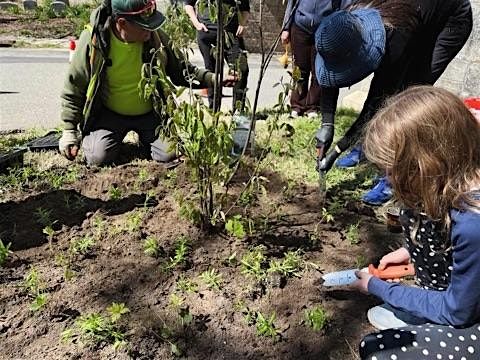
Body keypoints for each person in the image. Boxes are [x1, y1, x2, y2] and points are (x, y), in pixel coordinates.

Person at [351, 86, 480, 359]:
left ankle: (430, 319)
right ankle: (426, 312)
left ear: (427, 164)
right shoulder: (460, 185)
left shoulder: (472, 224)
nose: (388, 179)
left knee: (379, 351)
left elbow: (457, 311)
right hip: (466, 300)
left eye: (392, 170)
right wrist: (409, 251)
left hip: (464, 313)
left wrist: (381, 288)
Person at [313, 0, 473, 205]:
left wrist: (338, 148)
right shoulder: (342, 23)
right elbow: (330, 70)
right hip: (417, 15)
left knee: (409, 95)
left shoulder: (396, 38)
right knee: (393, 92)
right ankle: (365, 146)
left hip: (450, 19)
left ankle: (394, 176)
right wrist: (327, 122)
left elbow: (377, 103)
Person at [58, 0, 235, 166]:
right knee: (98, 157)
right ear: (122, 23)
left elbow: (182, 70)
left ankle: (148, 139)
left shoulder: (155, 38)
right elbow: (74, 86)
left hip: (150, 114)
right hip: (109, 114)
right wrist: (69, 130)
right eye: (144, 26)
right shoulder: (95, 40)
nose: (150, 30)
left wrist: (213, 79)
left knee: (169, 155)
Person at [281, 0, 352, 119]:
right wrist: (286, 28)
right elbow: (291, 4)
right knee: (299, 69)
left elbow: (345, 6)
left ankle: (312, 107)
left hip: (324, 28)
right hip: (300, 27)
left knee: (318, 71)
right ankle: (296, 106)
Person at [184, 0, 250, 111]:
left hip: (231, 34)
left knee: (241, 69)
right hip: (207, 33)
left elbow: (245, 8)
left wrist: (243, 23)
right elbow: (188, 4)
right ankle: (214, 110)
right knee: (212, 73)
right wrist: (196, 24)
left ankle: (238, 112)